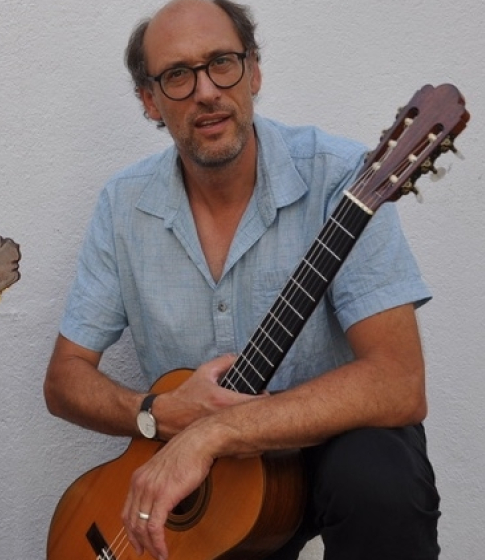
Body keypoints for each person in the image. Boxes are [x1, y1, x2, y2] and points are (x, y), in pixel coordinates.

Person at [43, 1, 440, 558]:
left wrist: (215, 431)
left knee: (381, 479)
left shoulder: (343, 178)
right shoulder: (123, 205)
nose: (206, 91)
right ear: (150, 101)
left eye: (222, 63)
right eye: (177, 76)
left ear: (253, 71)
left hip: (329, 444)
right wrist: (155, 414)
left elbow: (399, 382)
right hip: (213, 484)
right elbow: (64, 380)